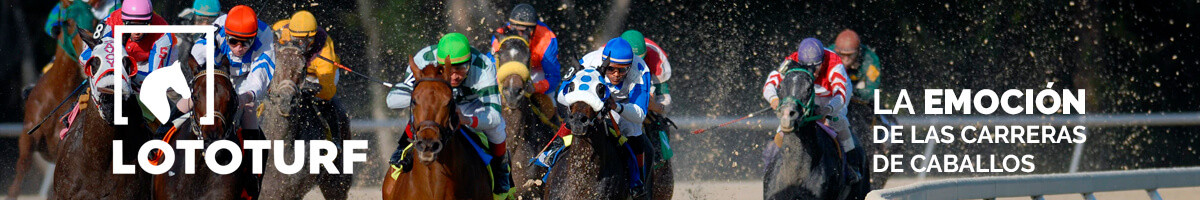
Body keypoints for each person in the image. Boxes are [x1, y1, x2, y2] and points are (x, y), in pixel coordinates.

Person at [386, 33, 511, 194]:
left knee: (498, 127)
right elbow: (392, 100)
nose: (454, 76)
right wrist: (424, 93)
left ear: (470, 63)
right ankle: (401, 153)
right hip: (436, 103)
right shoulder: (424, 60)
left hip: (470, 106)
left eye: (461, 69)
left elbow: (493, 116)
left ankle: (500, 167)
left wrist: (467, 120)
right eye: (448, 70)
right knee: (422, 112)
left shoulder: (483, 67)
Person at [761, 37, 861, 182]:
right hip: (807, 93)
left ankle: (852, 166)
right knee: (783, 127)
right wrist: (774, 99)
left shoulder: (835, 63)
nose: (812, 71)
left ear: (823, 59)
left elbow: (841, 95)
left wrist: (827, 110)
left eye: (816, 66)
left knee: (839, 121)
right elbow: (770, 82)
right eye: (806, 66)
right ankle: (771, 168)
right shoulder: (792, 61)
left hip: (833, 95)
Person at [568, 37, 653, 195]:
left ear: (630, 66)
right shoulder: (588, 61)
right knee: (571, 122)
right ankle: (550, 156)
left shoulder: (641, 69)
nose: (616, 75)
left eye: (622, 70)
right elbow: (563, 93)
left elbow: (640, 114)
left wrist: (616, 106)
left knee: (634, 133)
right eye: (611, 69)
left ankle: (637, 183)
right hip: (591, 104)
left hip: (623, 105)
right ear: (603, 63)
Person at [175, 5, 275, 137]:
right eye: (233, 42)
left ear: (254, 38)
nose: (239, 48)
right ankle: (162, 133)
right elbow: (198, 53)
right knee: (189, 100)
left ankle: (253, 153)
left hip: (244, 78)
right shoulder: (218, 28)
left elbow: (259, 75)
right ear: (226, 36)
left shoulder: (264, 37)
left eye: (246, 43)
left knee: (248, 108)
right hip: (216, 72)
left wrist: (247, 96)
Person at [271, 10, 349, 145]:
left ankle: (335, 141)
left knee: (331, 105)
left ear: (313, 38)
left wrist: (311, 89)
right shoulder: (280, 29)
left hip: (315, 77)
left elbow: (328, 90)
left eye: (304, 41)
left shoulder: (324, 47)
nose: (299, 45)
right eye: (295, 40)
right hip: (290, 74)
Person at [488, 3, 561, 99]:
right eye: (516, 29)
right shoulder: (500, 36)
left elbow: (554, 77)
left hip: (537, 70)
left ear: (534, 28)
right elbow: (491, 67)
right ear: (510, 26)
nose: (520, 35)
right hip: (508, 68)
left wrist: (535, 87)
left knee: (548, 101)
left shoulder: (547, 39)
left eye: (525, 31)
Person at [618, 30, 672, 115]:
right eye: (631, 62)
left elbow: (664, 99)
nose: (635, 65)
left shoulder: (657, 58)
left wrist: (655, 106)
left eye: (639, 60)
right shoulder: (603, 55)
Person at [829, 29, 883, 104]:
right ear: (836, 51)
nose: (846, 60)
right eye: (842, 55)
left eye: (851, 55)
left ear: (858, 51)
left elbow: (872, 91)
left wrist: (850, 90)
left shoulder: (870, 61)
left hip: (857, 93)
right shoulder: (829, 54)